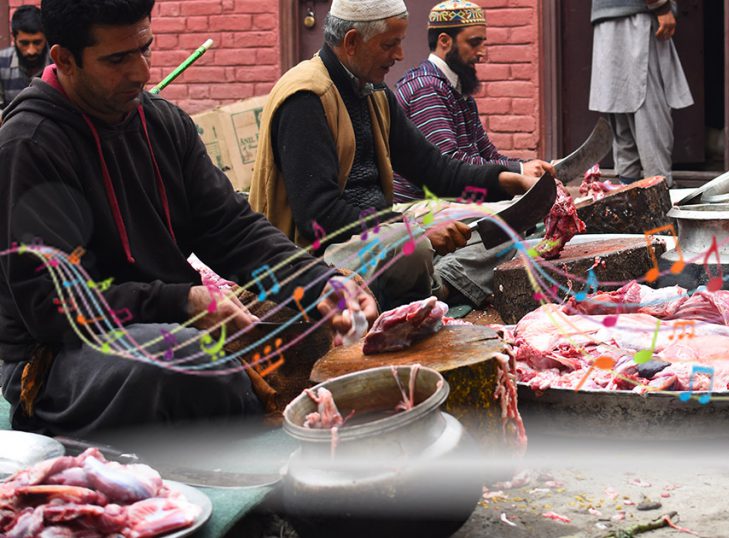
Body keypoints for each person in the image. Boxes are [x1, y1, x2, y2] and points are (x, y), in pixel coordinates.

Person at [0, 0, 378, 438]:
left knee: (313, 317)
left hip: (171, 325)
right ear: (64, 59)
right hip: (61, 357)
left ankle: (252, 401)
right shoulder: (28, 146)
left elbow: (232, 229)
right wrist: (182, 302)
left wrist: (319, 282)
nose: (141, 73)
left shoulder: (162, 123)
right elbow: (55, 308)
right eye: (117, 60)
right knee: (184, 360)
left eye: (146, 49)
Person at [249, 0, 545, 311]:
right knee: (410, 246)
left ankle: (435, 286)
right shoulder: (306, 98)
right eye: (389, 44)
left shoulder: (373, 92)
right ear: (351, 42)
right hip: (317, 254)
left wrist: (507, 181)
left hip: (383, 230)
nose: (400, 55)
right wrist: (413, 228)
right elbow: (319, 217)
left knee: (498, 223)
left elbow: (435, 169)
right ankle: (431, 287)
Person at [392, 0, 549, 203]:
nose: (482, 52)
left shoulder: (457, 88)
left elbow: (487, 154)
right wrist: (518, 171)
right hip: (424, 211)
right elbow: (448, 164)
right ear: (445, 41)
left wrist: (530, 167)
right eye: (474, 43)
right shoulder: (427, 88)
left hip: (455, 203)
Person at [589, 0, 693, 184]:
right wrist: (661, 6)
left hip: (608, 17)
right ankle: (659, 194)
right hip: (636, 15)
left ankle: (628, 195)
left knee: (622, 117)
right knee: (650, 113)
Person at [0, 5, 51, 111]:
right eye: (24, 43)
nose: (31, 51)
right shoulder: (1, 62)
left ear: (46, 37)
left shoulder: (58, 61)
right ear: (14, 38)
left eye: (37, 42)